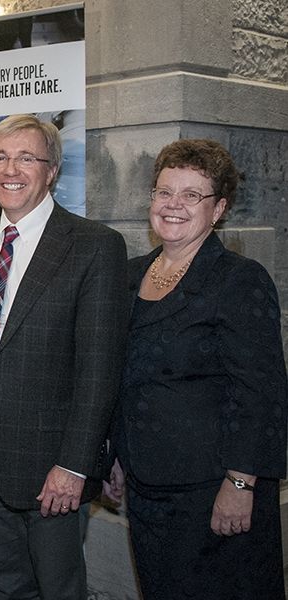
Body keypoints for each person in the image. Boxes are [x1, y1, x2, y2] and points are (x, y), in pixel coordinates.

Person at [0, 114, 129, 599]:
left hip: (52, 456)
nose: (11, 169)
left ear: (51, 171)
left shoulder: (94, 246)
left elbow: (99, 370)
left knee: (58, 585)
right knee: (4, 582)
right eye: (0, 157)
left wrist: (74, 464)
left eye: (27, 158)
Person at [105, 139, 287, 599]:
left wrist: (241, 482)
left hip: (213, 491)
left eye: (191, 195)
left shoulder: (238, 280)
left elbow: (261, 392)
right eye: (164, 192)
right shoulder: (129, 275)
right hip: (148, 489)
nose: (173, 206)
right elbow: (123, 378)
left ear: (218, 208)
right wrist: (117, 453)